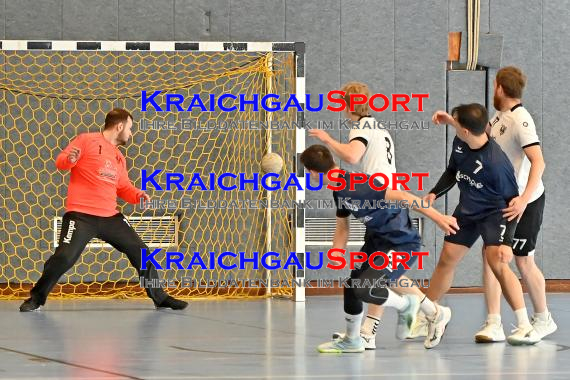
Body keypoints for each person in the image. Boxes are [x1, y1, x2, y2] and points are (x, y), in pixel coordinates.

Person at [20, 108, 188, 312]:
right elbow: (61, 162)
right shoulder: (85, 140)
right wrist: (70, 160)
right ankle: (36, 299)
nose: (131, 133)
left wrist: (137, 195)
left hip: (111, 218)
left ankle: (160, 298)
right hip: (81, 216)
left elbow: (123, 187)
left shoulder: (119, 157)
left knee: (142, 252)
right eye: (130, 128)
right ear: (119, 126)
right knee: (64, 258)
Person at [300, 145, 459, 353]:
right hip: (378, 241)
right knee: (351, 287)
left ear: (313, 172)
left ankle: (411, 307)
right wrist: (336, 251)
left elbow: (404, 197)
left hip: (401, 242)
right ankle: (353, 340)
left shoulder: (358, 186)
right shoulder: (338, 188)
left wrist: (439, 219)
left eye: (308, 172)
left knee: (366, 288)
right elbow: (342, 226)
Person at [310, 81, 417, 349]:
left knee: (370, 281)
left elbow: (352, 156)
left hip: (384, 205)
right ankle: (364, 334)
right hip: (380, 203)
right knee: (368, 278)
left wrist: (326, 139)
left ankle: (423, 309)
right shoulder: (375, 126)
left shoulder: (362, 127)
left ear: (347, 104)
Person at [423, 103, 540, 347]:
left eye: (456, 123)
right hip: (468, 210)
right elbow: (452, 171)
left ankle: (524, 326)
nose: (454, 124)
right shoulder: (461, 141)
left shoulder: (497, 165)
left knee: (497, 260)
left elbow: (512, 205)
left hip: (495, 213)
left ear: (465, 130)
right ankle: (428, 315)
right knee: (447, 257)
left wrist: (507, 242)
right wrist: (434, 193)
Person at [473, 66, 556, 342]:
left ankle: (544, 319)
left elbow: (539, 161)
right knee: (491, 254)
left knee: (522, 260)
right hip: (502, 201)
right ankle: (493, 322)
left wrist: (522, 199)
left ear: (498, 87)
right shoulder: (499, 117)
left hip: (525, 201)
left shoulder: (521, 120)